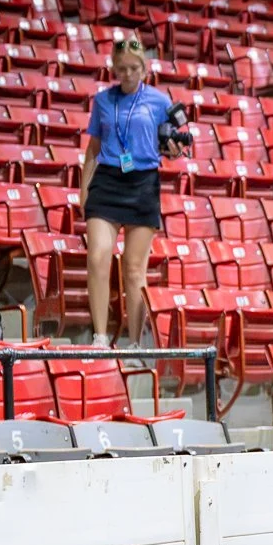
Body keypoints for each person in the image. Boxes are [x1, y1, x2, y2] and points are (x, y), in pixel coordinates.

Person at [80, 36, 177, 348]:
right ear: (114, 68)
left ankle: (135, 342)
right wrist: (84, 192)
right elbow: (92, 149)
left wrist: (174, 150)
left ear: (145, 69)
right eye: (121, 69)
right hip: (107, 182)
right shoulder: (103, 101)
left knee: (134, 270)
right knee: (98, 257)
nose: (128, 75)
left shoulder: (160, 102)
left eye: (134, 68)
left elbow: (169, 145)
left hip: (143, 184)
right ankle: (99, 336)